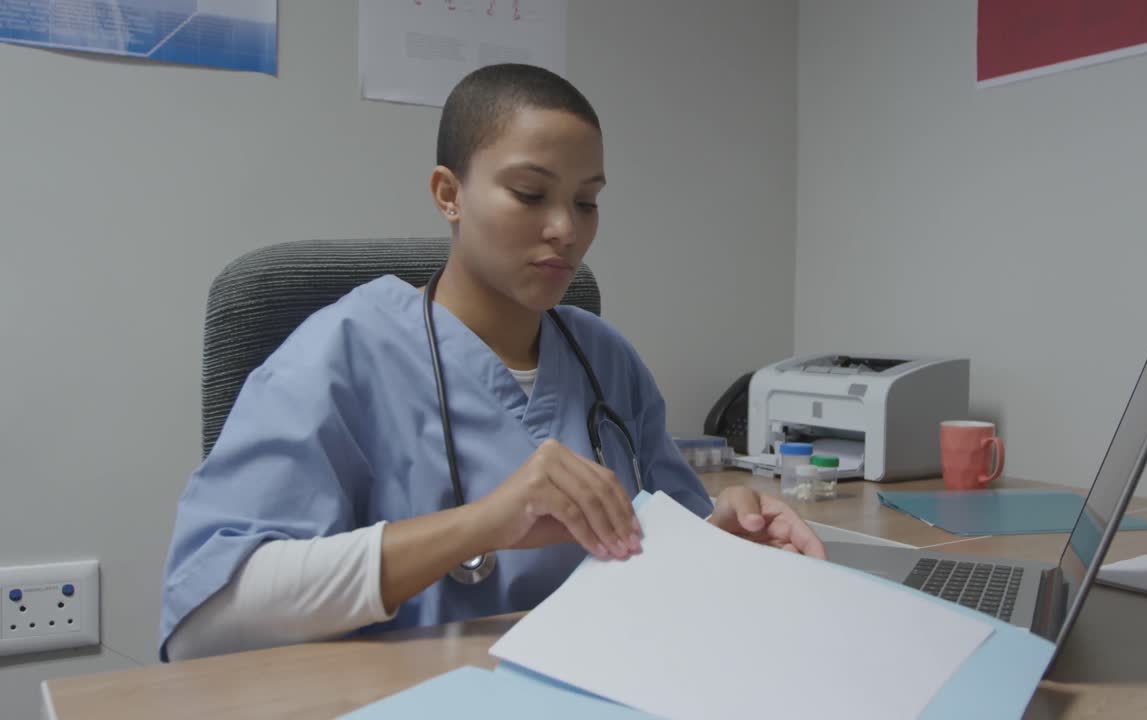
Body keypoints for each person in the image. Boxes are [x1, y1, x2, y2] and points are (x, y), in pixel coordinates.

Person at [158, 63, 825, 662]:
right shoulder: (341, 355)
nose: (567, 228)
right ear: (449, 194)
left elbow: (664, 555)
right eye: (531, 195)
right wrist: (481, 524)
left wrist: (725, 543)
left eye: (586, 201)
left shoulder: (605, 361)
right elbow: (205, 625)